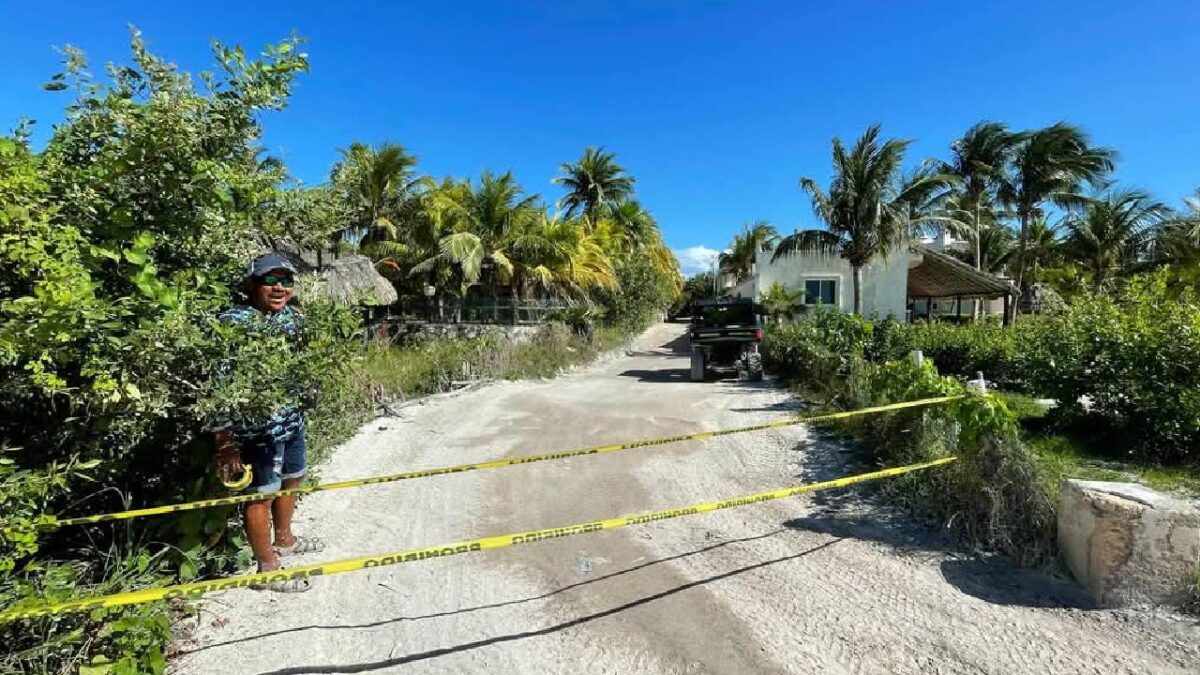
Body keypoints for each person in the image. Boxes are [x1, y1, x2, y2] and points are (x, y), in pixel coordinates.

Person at [214, 253, 325, 592]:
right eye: (270, 280)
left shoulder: (295, 319)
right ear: (253, 284)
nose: (279, 288)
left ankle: (286, 540)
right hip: (256, 430)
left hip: (291, 422)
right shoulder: (234, 322)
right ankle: (267, 568)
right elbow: (218, 386)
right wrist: (225, 442)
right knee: (260, 494)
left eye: (286, 281)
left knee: (293, 479)